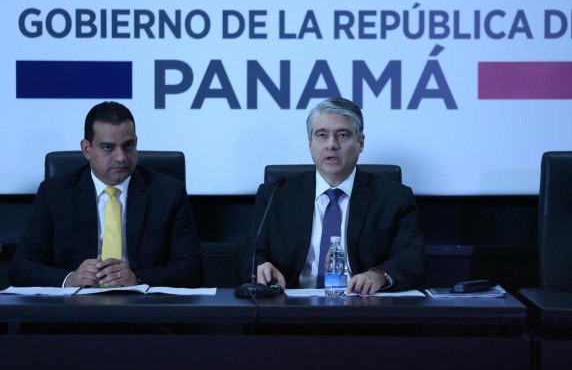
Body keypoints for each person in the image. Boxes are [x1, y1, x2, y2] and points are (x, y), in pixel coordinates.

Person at [237, 97, 427, 295]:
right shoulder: (277, 194)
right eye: (321, 135)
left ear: (360, 143)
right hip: (291, 309)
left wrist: (379, 276)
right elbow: (249, 254)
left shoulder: (393, 197)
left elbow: (413, 258)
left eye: (342, 135)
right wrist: (261, 266)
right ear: (310, 143)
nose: (331, 145)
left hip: (365, 309)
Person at [10, 101, 203, 288]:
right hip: (74, 312)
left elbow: (192, 269)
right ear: (87, 149)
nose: (120, 157)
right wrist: (70, 278)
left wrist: (137, 278)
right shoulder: (54, 194)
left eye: (128, 146)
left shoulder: (168, 192)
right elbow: (21, 268)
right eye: (108, 147)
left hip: (145, 312)